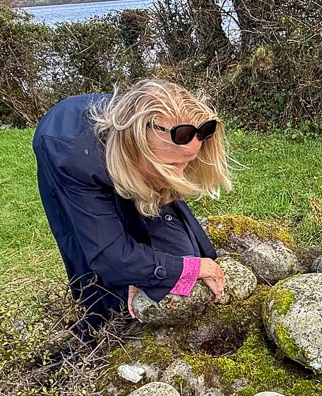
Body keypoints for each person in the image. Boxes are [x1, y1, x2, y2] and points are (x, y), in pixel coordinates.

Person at [33, 80, 230, 336]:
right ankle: (101, 332)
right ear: (137, 148)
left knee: (182, 247)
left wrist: (172, 267)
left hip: (127, 153)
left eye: (187, 162)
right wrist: (180, 269)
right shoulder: (68, 156)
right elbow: (109, 254)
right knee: (96, 262)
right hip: (67, 149)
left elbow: (164, 211)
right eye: (171, 165)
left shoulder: (160, 132)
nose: (181, 176)